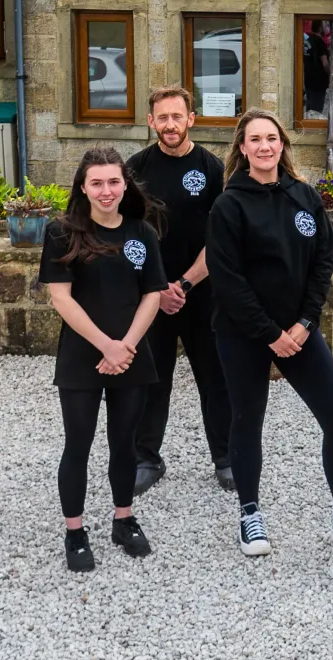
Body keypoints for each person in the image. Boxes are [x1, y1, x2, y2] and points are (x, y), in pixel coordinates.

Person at [205, 109, 333, 559]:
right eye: (255, 139)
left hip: (299, 332)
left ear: (282, 145)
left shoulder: (304, 196)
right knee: (247, 420)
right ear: (242, 149)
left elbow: (321, 261)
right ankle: (250, 513)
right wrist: (270, 333)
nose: (264, 146)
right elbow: (228, 280)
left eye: (272, 138)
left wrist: (304, 323)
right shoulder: (228, 206)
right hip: (243, 334)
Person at [40, 148, 166, 572]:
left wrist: (125, 345)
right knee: (78, 443)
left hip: (131, 356)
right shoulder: (62, 232)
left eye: (113, 181)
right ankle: (75, 532)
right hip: (82, 356)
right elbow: (61, 298)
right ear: (83, 186)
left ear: (125, 185)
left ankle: (123, 519)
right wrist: (105, 346)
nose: (106, 190)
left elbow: (153, 294)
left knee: (124, 443)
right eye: (96, 183)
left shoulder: (142, 233)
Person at [124, 86, 234, 494]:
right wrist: (158, 288)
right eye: (162, 117)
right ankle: (146, 457)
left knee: (215, 376)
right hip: (151, 295)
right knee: (151, 379)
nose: (170, 125)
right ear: (151, 121)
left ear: (191, 119)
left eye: (177, 116)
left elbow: (220, 239)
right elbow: (128, 235)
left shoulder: (212, 169)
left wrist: (185, 283)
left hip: (201, 292)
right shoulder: (134, 170)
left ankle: (226, 457)